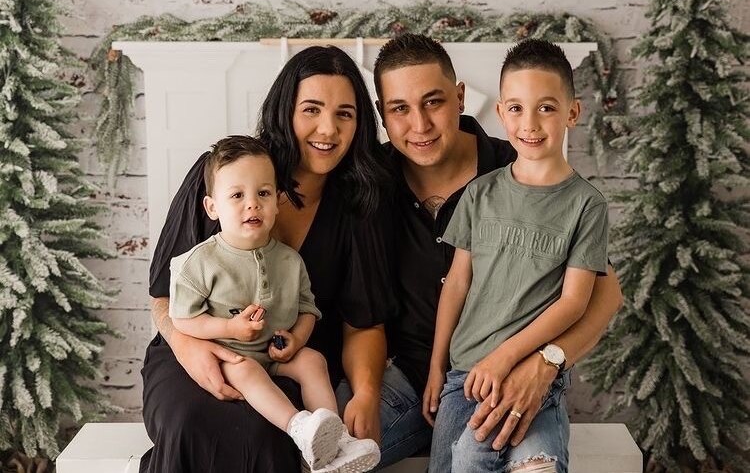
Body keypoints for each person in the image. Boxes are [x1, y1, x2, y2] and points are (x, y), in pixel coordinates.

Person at [372, 33, 623, 470]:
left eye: (433, 102)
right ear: (383, 115)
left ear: (460, 97)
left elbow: (601, 294)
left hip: (521, 367)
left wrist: (545, 362)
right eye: (399, 109)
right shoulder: (369, 180)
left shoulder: (524, 168)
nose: (420, 125)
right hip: (418, 376)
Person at [142, 46, 396, 473]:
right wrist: (190, 348)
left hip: (287, 358)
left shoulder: (357, 204)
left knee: (268, 435)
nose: (328, 129)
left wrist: (366, 393)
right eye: (311, 109)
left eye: (345, 114)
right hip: (195, 346)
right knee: (189, 420)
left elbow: (364, 321)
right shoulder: (224, 172)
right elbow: (162, 298)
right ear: (285, 111)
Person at [168, 135, 380, 472]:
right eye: (237, 195)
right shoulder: (199, 262)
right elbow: (182, 319)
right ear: (212, 207)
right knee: (248, 369)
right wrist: (229, 327)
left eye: (263, 194)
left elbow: (309, 309)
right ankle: (299, 427)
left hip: (275, 352)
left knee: (313, 362)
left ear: (278, 200)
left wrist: (296, 339)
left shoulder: (289, 261)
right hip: (230, 356)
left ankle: (336, 442)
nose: (252, 205)